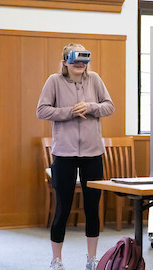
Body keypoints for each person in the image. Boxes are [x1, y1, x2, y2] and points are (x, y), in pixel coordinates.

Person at [36, 43, 114, 270]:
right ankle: (56, 259)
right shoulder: (54, 81)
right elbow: (41, 110)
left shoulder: (95, 79)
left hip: (92, 153)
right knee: (63, 207)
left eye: (83, 61)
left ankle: (92, 258)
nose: (80, 65)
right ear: (65, 62)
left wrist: (90, 107)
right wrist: (69, 112)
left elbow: (109, 106)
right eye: (75, 61)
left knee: (92, 206)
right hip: (64, 153)